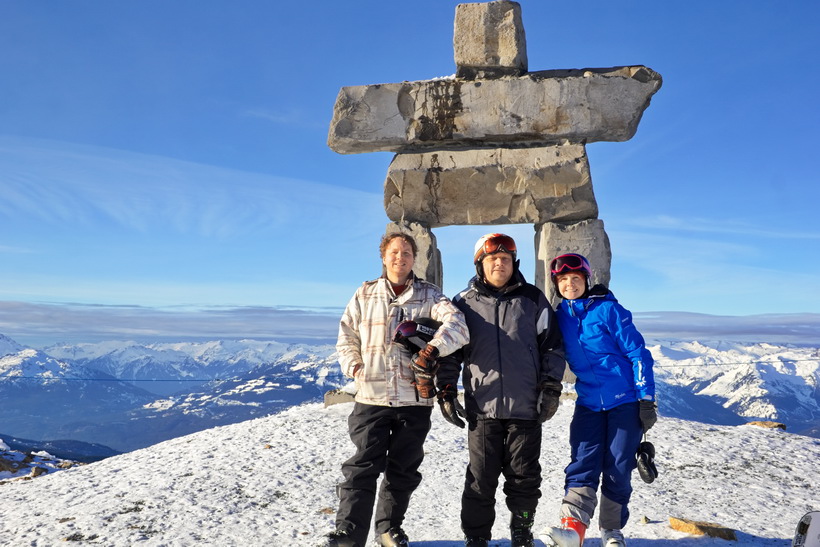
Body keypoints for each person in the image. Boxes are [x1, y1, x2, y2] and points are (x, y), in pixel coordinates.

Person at [325, 232, 470, 547]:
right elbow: (346, 333)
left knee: (402, 470)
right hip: (371, 396)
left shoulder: (431, 295)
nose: (400, 258)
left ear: (413, 258)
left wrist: (433, 349)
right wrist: (354, 367)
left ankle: (388, 530)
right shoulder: (365, 294)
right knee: (362, 466)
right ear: (383, 256)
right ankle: (348, 534)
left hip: (413, 399)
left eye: (406, 252)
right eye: (394, 252)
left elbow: (458, 326)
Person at [435, 233, 565, 547]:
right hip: (484, 406)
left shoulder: (533, 299)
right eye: (493, 259)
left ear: (513, 263)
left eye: (506, 259)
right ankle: (476, 537)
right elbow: (451, 352)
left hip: (526, 406)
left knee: (524, 477)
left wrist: (551, 387)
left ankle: (521, 531)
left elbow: (552, 346)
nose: (500, 264)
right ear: (480, 263)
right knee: (481, 479)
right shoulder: (463, 303)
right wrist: (447, 391)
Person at [541, 253, 657, 547]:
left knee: (618, 465)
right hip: (589, 402)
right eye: (563, 280)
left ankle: (611, 530)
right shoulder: (560, 317)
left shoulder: (609, 311)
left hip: (625, 400)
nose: (569, 285)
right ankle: (573, 528)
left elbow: (638, 354)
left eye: (575, 279)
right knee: (583, 461)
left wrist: (645, 399)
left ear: (586, 280)